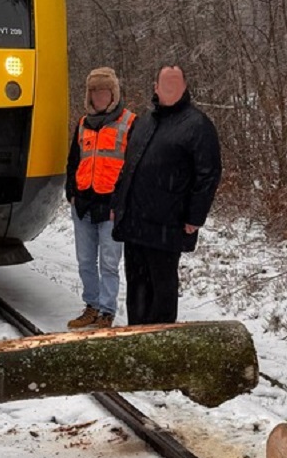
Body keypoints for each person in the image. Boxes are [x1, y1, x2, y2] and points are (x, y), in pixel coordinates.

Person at [111, 65, 221, 325]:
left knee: (162, 290)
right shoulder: (145, 121)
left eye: (175, 83)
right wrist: (118, 202)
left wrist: (195, 216)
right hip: (135, 223)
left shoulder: (198, 125)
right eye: (164, 83)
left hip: (168, 224)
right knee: (137, 287)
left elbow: (209, 174)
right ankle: (135, 337)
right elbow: (129, 166)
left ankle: (161, 342)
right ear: (155, 87)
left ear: (185, 87)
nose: (169, 88)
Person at [65, 67, 136, 329]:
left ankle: (107, 311)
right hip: (83, 202)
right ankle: (91, 305)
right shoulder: (83, 124)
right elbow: (73, 161)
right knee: (85, 260)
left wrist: (123, 202)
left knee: (109, 262)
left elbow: (132, 167)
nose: (99, 96)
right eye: (94, 92)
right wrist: (70, 191)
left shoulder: (129, 122)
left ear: (114, 93)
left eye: (104, 91)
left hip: (111, 206)